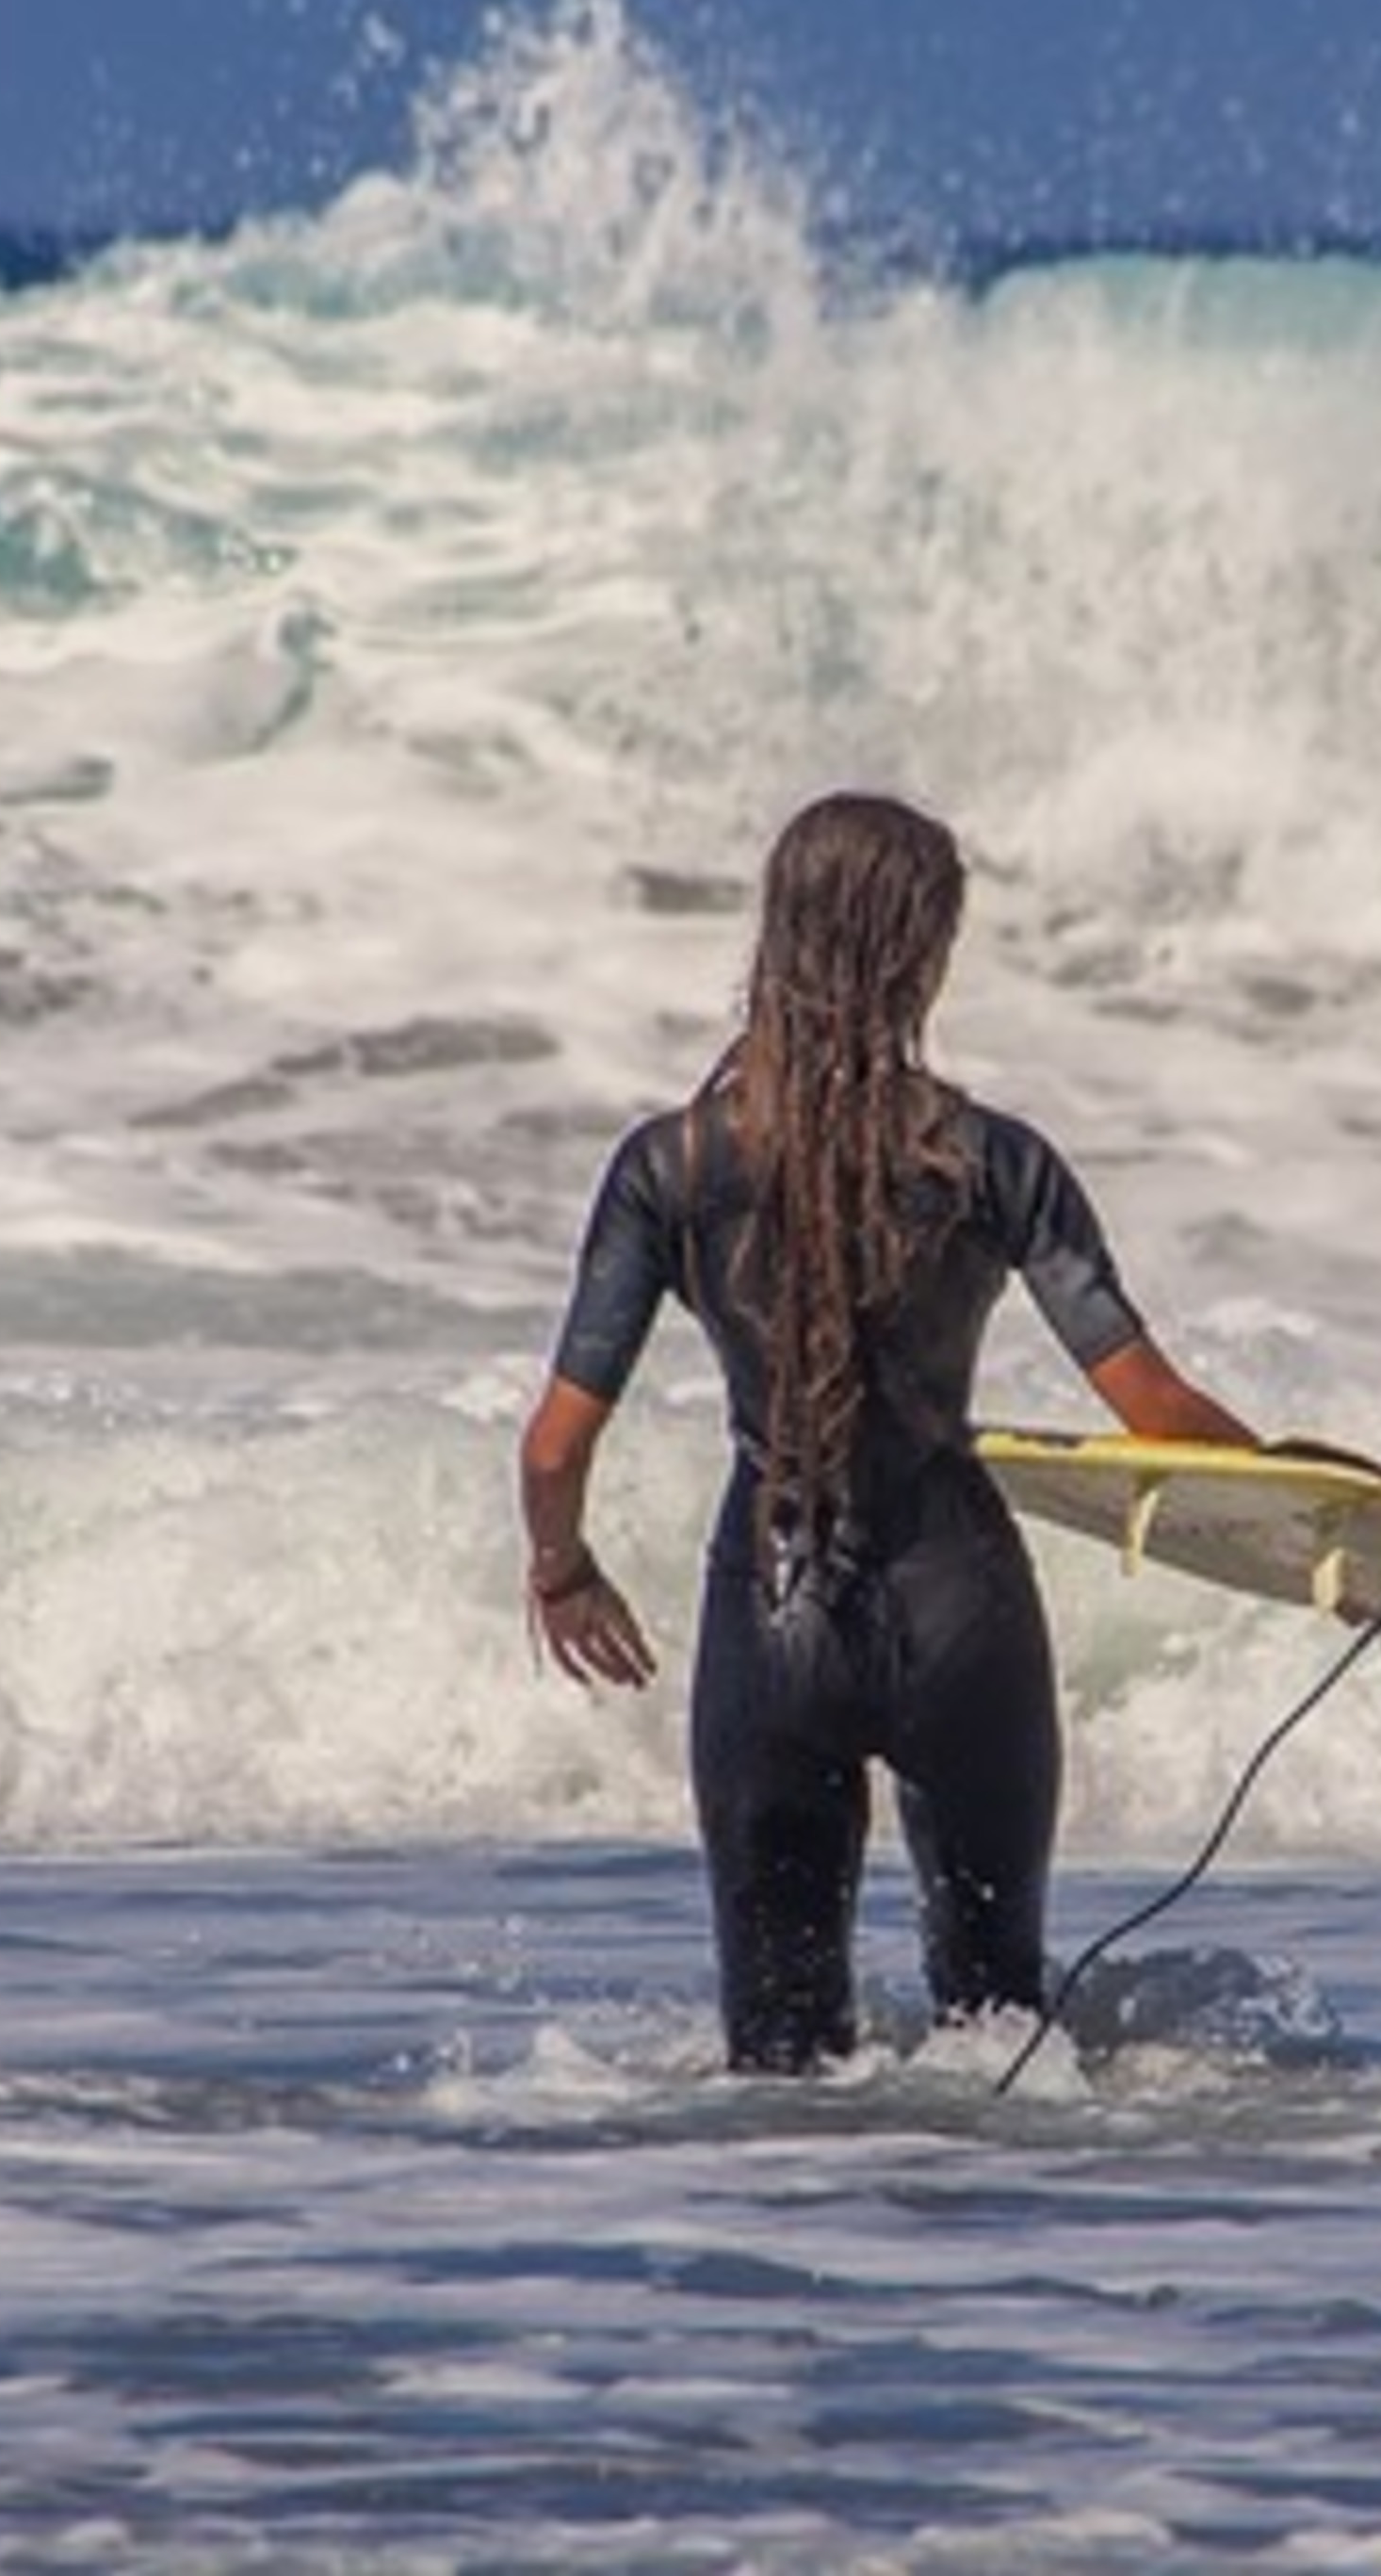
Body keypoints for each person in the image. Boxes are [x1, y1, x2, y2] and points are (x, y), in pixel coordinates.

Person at [516, 791, 1258, 2075]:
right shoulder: (992, 1160)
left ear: (778, 936)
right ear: (924, 953)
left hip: (773, 1614)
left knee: (779, 2060)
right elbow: (1155, 1413)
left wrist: (563, 1569)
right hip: (965, 1613)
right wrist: (1318, 1506)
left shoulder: (670, 1168)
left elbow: (553, 1447)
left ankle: (812, 2261)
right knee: (999, 2038)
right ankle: (965, 2269)